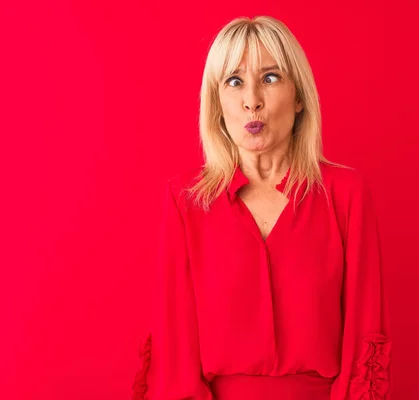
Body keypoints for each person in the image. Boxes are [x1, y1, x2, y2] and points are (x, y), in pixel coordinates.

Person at [131, 15, 391, 400]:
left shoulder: (345, 195)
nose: (251, 99)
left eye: (270, 78)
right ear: (217, 102)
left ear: (299, 96)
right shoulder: (186, 199)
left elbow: (363, 328)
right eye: (234, 82)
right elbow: (176, 347)